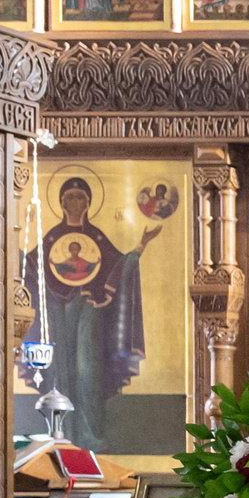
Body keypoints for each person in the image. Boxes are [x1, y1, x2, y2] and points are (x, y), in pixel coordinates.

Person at [26, 175, 159, 453]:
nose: (75, 203)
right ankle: (61, 434)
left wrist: (139, 249)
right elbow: (32, 264)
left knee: (87, 370)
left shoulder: (96, 237)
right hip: (57, 309)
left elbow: (117, 263)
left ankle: (90, 436)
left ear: (88, 203)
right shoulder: (52, 237)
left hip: (89, 308)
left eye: (80, 197)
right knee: (59, 370)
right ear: (62, 203)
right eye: (70, 198)